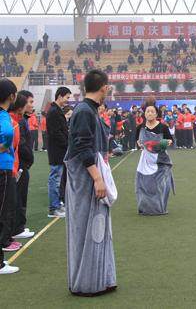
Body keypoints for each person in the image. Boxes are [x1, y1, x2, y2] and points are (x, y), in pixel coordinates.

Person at [65, 69, 117, 296]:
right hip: (86, 179)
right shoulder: (84, 111)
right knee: (88, 228)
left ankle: (100, 277)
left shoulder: (89, 110)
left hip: (92, 175)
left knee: (98, 227)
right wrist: (97, 178)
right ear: (103, 87)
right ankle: (86, 282)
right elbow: (82, 146)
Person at [135, 101, 174, 215]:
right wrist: (140, 145)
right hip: (146, 160)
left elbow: (170, 140)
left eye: (152, 111)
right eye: (148, 111)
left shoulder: (163, 127)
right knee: (142, 184)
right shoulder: (140, 127)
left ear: (156, 114)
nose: (150, 113)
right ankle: (145, 208)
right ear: (144, 114)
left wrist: (160, 144)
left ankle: (159, 208)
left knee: (160, 185)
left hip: (161, 160)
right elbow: (137, 142)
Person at [0, 78, 19, 275]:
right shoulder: (4, 116)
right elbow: (7, 133)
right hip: (3, 168)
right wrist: (4, 146)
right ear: (11, 96)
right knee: (2, 213)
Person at [12, 91, 36, 240]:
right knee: (18, 196)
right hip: (19, 164)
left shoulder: (23, 119)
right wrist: (28, 158)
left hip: (23, 164)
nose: (32, 105)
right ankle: (17, 228)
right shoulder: (18, 122)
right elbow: (20, 145)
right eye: (30, 102)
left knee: (20, 195)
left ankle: (19, 225)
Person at [46, 86, 71, 218]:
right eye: (67, 97)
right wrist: (67, 145)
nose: (67, 100)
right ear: (60, 96)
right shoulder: (53, 111)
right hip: (57, 151)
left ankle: (57, 205)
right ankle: (53, 208)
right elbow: (56, 133)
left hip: (60, 150)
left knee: (58, 178)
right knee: (55, 179)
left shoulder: (56, 110)